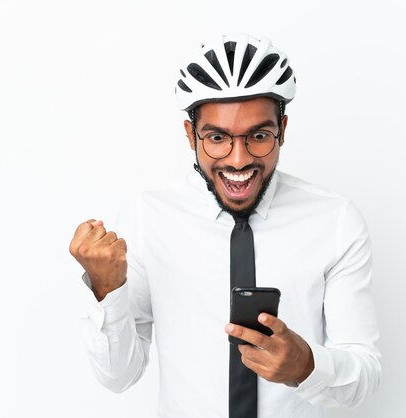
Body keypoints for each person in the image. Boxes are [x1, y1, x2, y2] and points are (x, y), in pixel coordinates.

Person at [69, 34, 381, 417]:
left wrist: (307, 366)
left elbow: (364, 375)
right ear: (190, 135)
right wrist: (106, 288)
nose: (238, 160)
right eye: (217, 138)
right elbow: (119, 376)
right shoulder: (147, 216)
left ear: (282, 129)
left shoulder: (334, 220)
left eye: (259, 136)